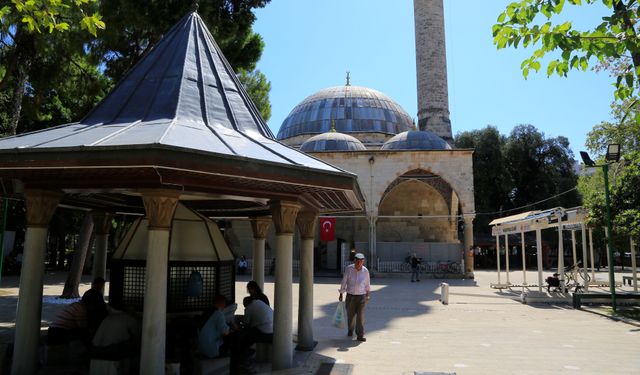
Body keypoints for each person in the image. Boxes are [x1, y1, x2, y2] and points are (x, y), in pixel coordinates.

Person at [338, 252, 370, 342]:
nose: (359, 263)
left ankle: (360, 335)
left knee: (360, 316)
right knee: (350, 316)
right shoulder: (349, 269)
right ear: (354, 261)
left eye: (361, 261)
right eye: (357, 261)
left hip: (361, 297)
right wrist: (341, 293)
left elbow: (367, 284)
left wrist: (368, 295)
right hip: (350, 296)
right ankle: (350, 329)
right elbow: (344, 281)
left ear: (363, 262)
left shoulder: (365, 271)